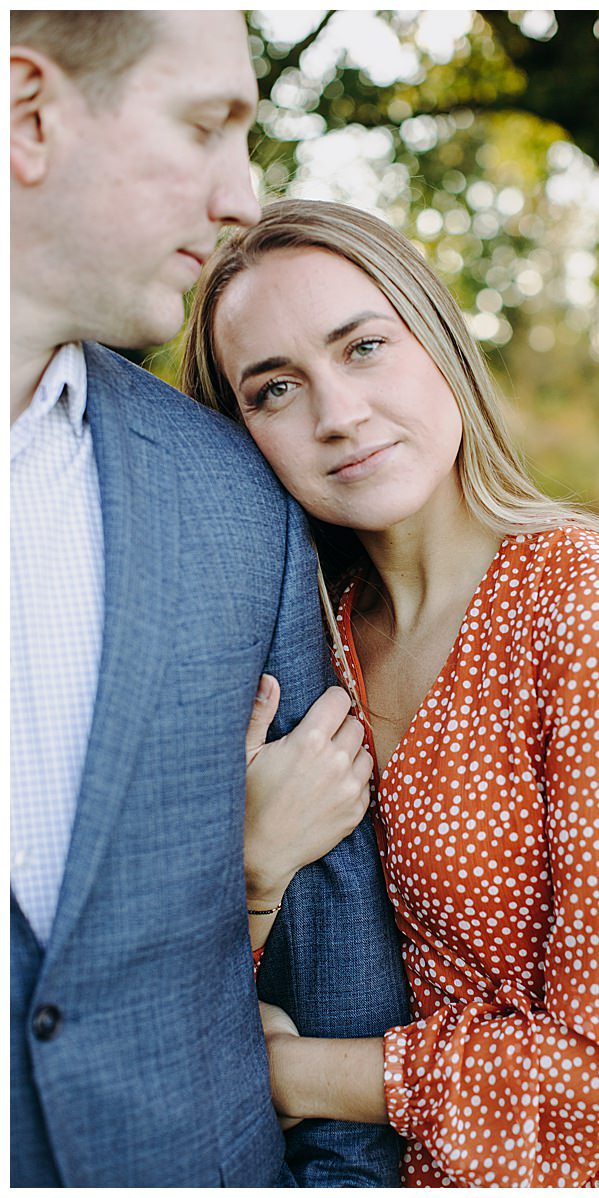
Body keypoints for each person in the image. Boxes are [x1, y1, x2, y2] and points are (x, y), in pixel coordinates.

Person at [178, 198, 599, 1187]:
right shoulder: (304, 650)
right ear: (240, 434)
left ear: (437, 341)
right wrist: (256, 867)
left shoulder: (589, 608)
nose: (336, 414)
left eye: (362, 347)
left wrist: (287, 1072)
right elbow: (195, 982)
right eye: (274, 389)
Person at [9, 11, 409, 1187]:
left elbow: (337, 947)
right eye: (205, 127)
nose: (241, 195)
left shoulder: (237, 496)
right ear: (27, 114)